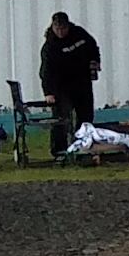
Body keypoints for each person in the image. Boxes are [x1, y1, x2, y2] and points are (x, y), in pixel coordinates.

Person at [38, 10, 101, 160]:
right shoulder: (49, 47)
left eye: (63, 28)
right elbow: (45, 72)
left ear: (68, 26)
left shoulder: (80, 34)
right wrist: (48, 92)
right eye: (57, 28)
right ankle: (59, 152)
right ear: (52, 27)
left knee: (86, 117)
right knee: (61, 119)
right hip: (61, 87)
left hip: (82, 83)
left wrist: (95, 60)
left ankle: (84, 148)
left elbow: (93, 47)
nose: (60, 31)